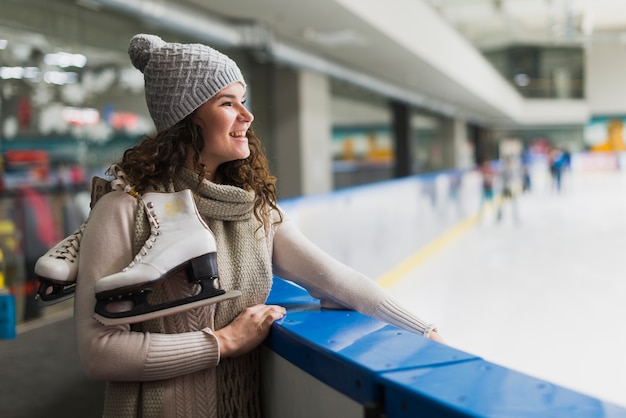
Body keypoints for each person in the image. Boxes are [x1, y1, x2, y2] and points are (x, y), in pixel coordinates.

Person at [74, 33, 443, 418]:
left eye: (243, 101)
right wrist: (223, 342)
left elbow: (336, 280)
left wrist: (425, 334)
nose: (246, 116)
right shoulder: (123, 211)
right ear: (185, 121)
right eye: (227, 103)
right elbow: (98, 351)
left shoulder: (253, 212)